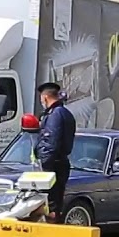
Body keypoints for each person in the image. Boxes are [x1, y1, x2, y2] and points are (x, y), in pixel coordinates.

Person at [36, 82, 75, 222]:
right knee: (55, 204)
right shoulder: (64, 113)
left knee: (51, 207)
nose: (41, 101)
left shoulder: (55, 115)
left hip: (53, 166)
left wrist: (43, 165)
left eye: (41, 98)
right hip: (60, 163)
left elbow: (50, 143)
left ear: (45, 97)